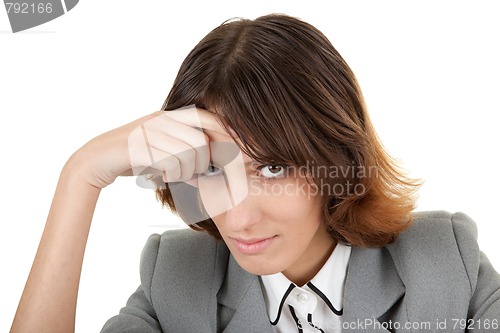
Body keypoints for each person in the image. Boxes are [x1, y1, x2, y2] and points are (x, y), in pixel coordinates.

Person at [11, 14, 500, 333]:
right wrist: (80, 176)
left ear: (337, 156)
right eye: (211, 169)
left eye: (273, 167)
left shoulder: (445, 264)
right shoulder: (178, 283)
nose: (238, 216)